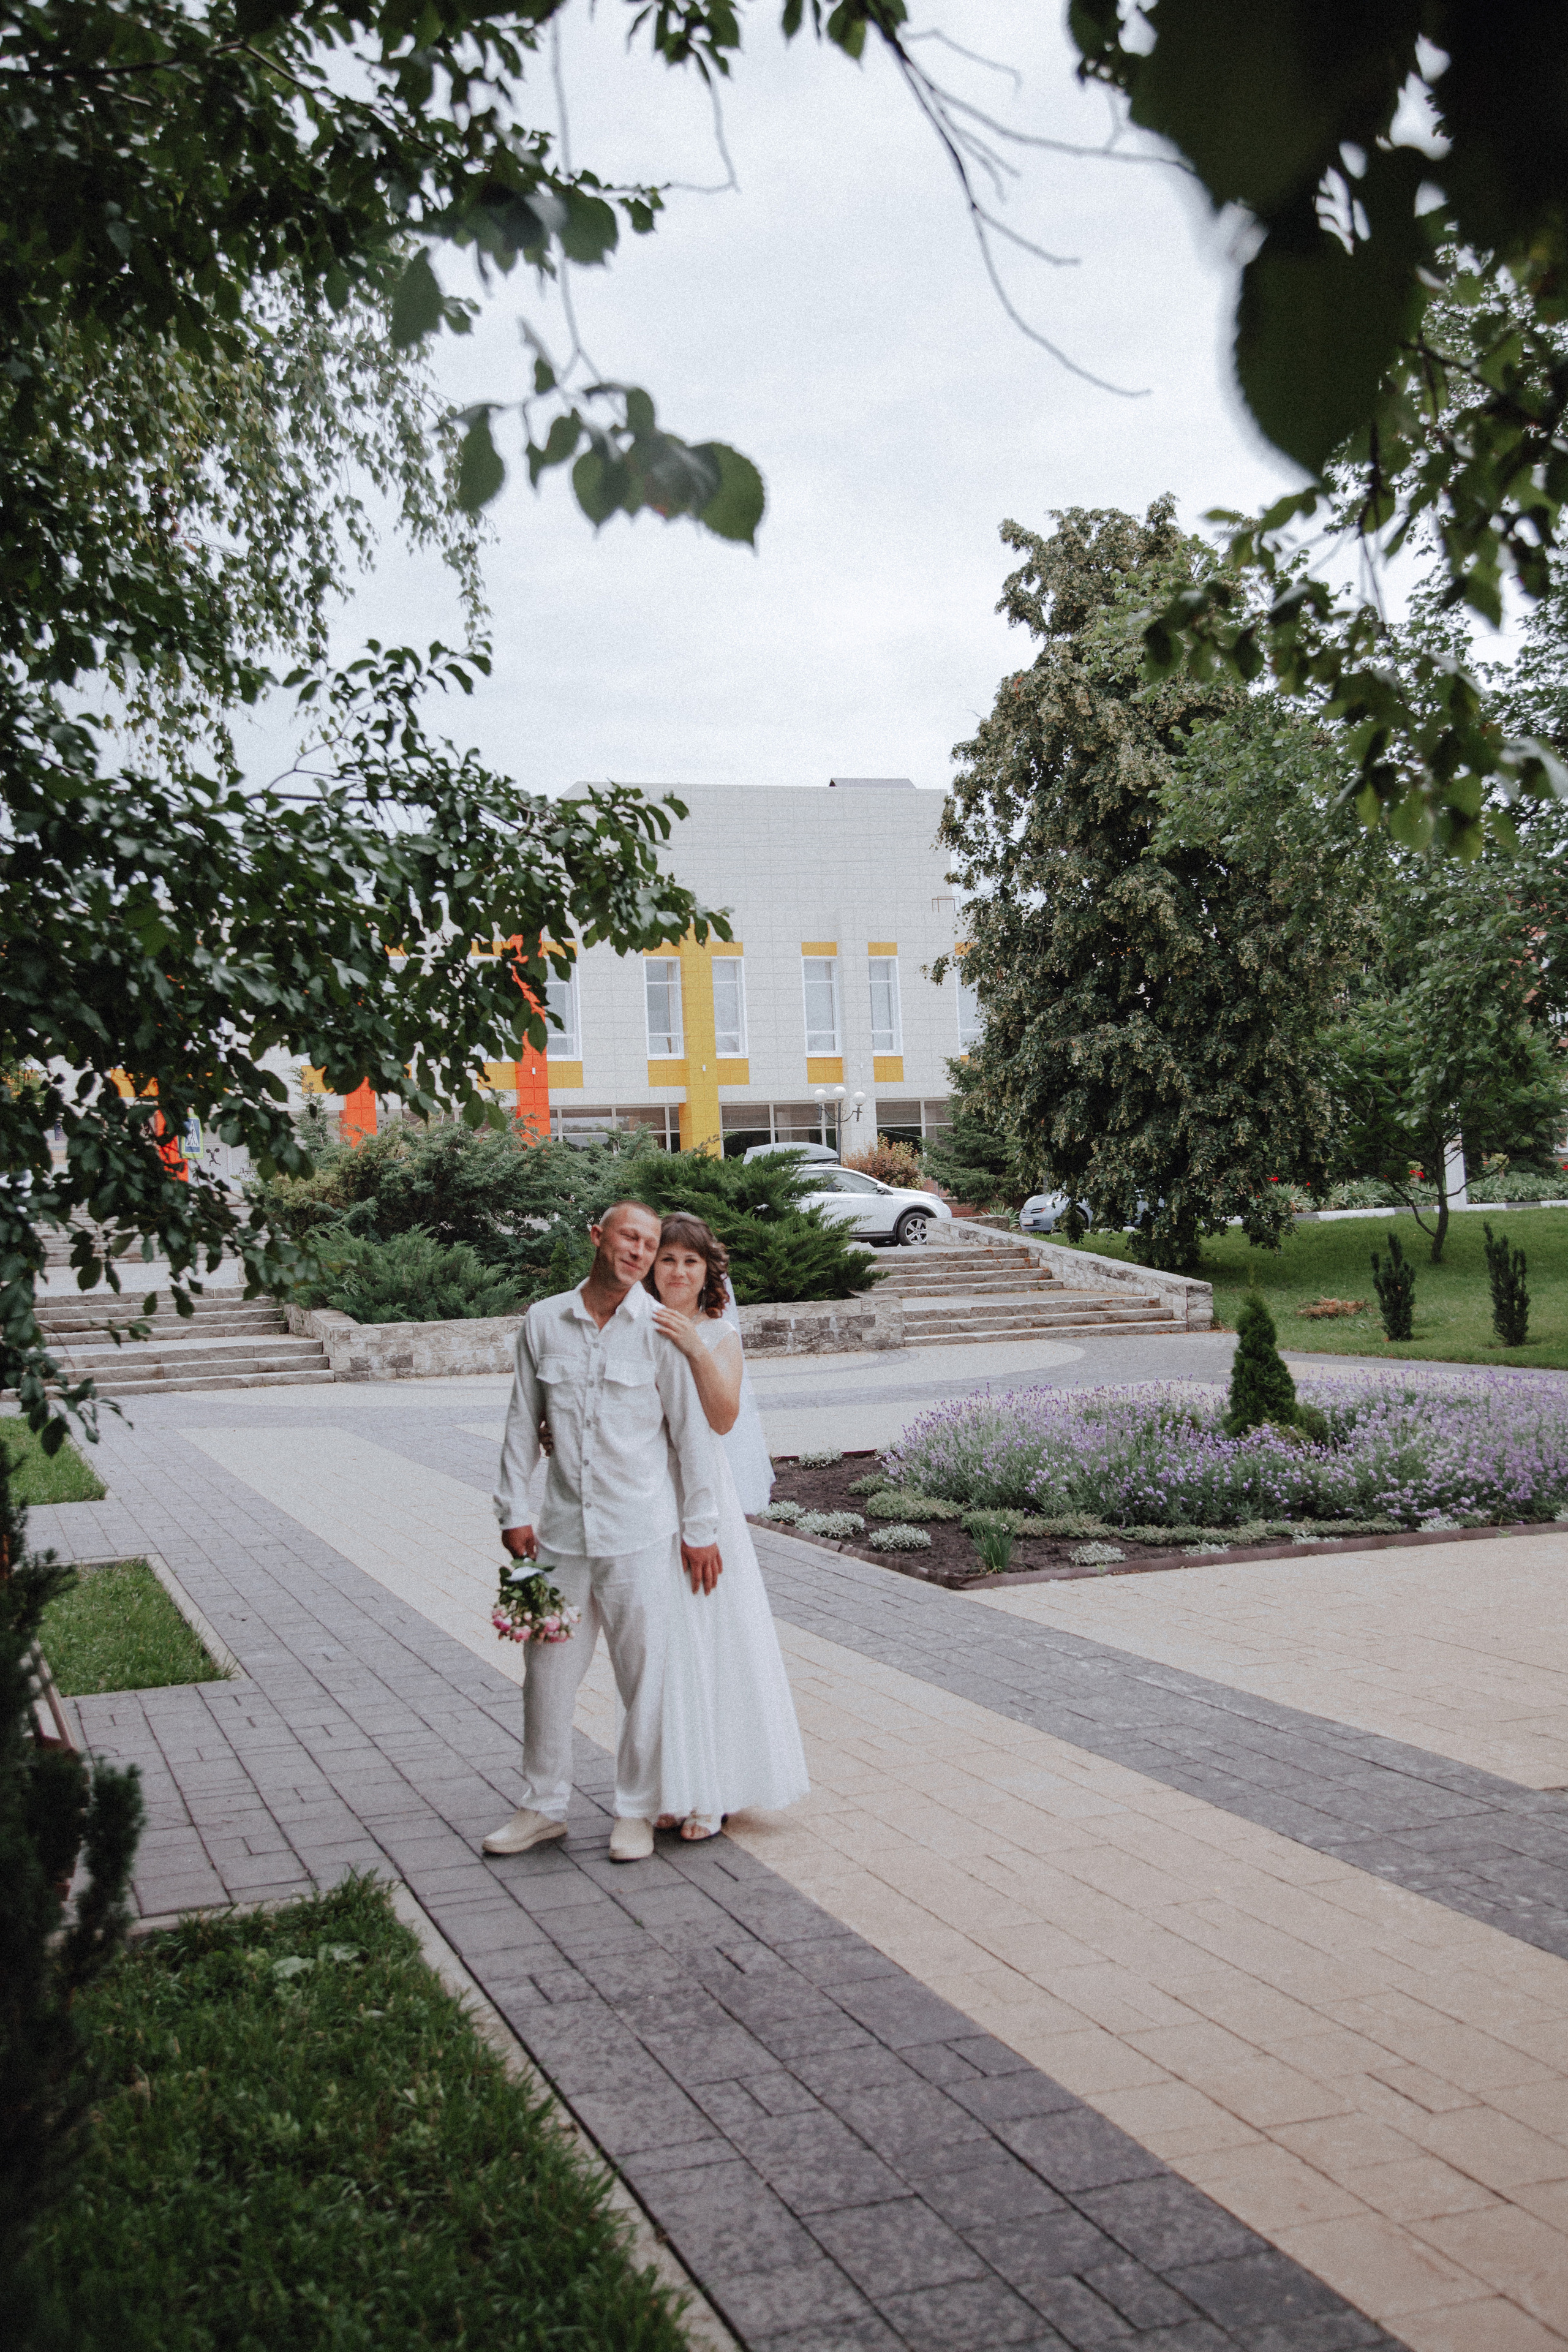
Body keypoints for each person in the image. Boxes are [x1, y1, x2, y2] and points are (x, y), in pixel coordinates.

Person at [483, 1199, 723, 1865]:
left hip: (640, 1533)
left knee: (641, 1679)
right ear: (597, 1237)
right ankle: (541, 1807)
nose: (640, 1251)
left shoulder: (661, 1330)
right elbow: (518, 1422)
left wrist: (699, 1528)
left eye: (650, 1243)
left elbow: (691, 1437)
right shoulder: (542, 1322)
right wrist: (513, 1511)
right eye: (629, 1237)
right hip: (559, 1537)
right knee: (546, 1675)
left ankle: (636, 1811)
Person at [645, 1212, 809, 1839]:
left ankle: (713, 1792)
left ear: (707, 1269)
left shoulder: (721, 1334)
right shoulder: (634, 1329)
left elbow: (721, 1417)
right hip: (647, 1504)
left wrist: (690, 1345)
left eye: (690, 1261)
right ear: (651, 1269)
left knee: (710, 1641)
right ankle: (672, 1786)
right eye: (667, 1260)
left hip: (702, 1502)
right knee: (661, 1651)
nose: (679, 1272)